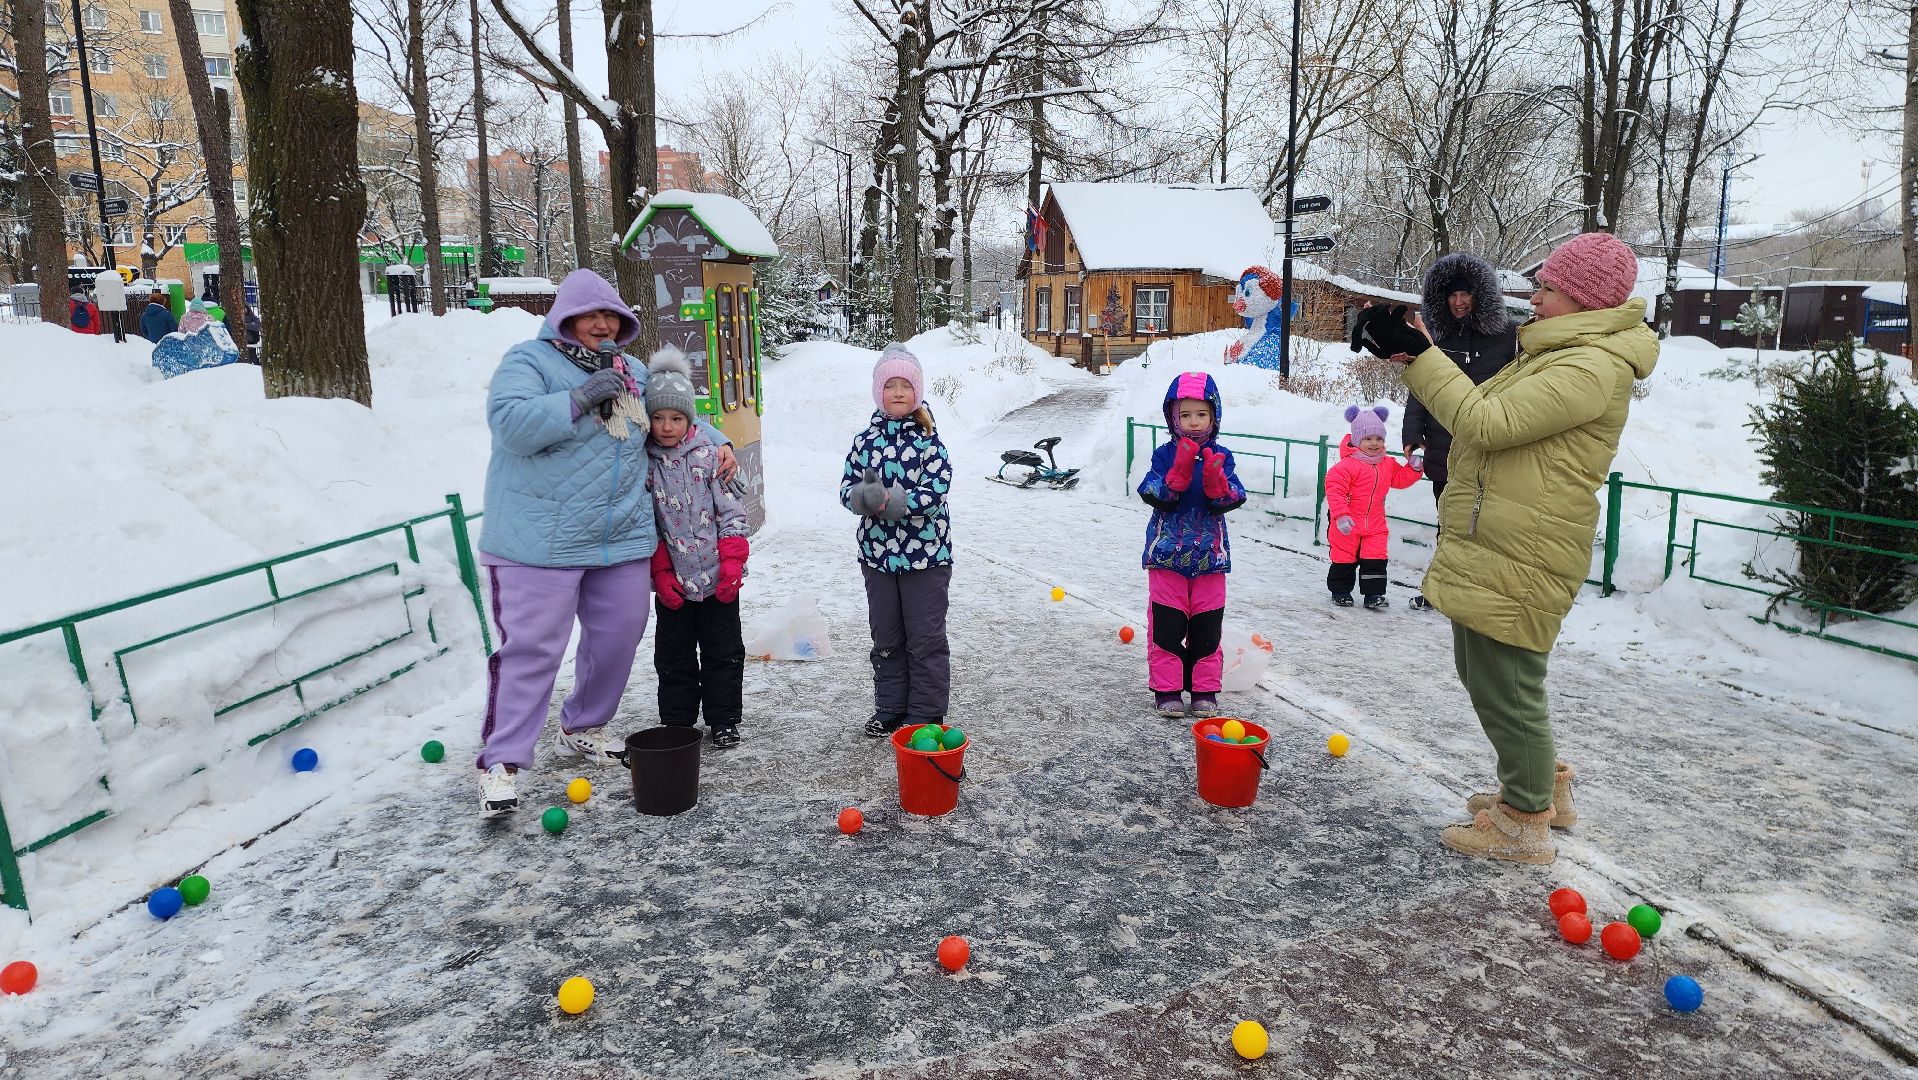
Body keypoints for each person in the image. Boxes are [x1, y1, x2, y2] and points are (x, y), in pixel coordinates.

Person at [1350, 231, 1657, 864]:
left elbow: (1486, 424)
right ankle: (1543, 784)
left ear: (1583, 298)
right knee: (1487, 670)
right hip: (1506, 535)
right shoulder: (1554, 352)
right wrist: (1421, 348)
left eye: (1547, 289)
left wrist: (1419, 355)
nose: (1535, 298)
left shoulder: (1590, 365)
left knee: (1506, 682)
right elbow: (1486, 405)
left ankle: (1524, 817)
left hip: (1530, 542)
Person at [473, 268, 736, 816]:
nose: (600, 325)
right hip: (539, 540)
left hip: (620, 537)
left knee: (617, 637)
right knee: (533, 648)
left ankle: (585, 724)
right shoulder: (529, 360)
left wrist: (720, 440)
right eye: (589, 316)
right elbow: (511, 426)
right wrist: (576, 399)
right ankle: (501, 761)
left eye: (610, 316)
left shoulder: (632, 370)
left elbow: (676, 420)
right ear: (564, 319)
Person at [840, 345, 954, 738]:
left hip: (927, 557)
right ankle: (890, 705)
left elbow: (938, 489)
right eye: (891, 385)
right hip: (878, 558)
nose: (899, 392)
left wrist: (894, 502)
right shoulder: (863, 442)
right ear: (879, 392)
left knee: (924, 636)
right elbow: (846, 489)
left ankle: (925, 713)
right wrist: (863, 498)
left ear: (917, 392)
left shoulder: (929, 441)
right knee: (886, 635)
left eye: (907, 385)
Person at [1401, 253, 1520, 610]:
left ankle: (1481, 592)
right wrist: (1412, 431)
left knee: (1485, 524)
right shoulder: (1435, 335)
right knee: (1448, 520)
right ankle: (1441, 590)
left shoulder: (1510, 335)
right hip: (1443, 443)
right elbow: (1421, 386)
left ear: (1481, 295)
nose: (1459, 301)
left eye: (1466, 293)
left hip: (1488, 446)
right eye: (1451, 294)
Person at [645, 347, 750, 749]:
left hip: (718, 577)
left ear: (691, 419)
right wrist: (660, 572)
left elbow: (731, 512)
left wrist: (733, 562)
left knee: (724, 653)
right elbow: (647, 524)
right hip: (674, 583)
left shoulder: (710, 457)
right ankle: (677, 721)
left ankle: (724, 719)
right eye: (658, 418)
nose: (667, 426)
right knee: (673, 657)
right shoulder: (647, 463)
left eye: (676, 418)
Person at [1136, 372, 1247, 718]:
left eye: (1201, 414)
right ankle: (1167, 690)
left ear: (1214, 416)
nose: (1193, 422)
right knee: (1167, 628)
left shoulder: (1222, 455)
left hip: (1210, 558)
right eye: (1185, 415)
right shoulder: (1164, 455)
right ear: (1173, 418)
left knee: (1207, 628)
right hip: (1167, 556)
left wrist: (1216, 484)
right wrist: (1177, 475)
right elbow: (1153, 494)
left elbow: (1234, 495)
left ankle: (1204, 691)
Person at [1324, 404, 1424, 610]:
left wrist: (1414, 468)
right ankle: (1340, 592)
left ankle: (1373, 594)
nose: (1374, 443)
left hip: (1375, 524)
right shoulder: (1346, 466)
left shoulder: (1386, 463)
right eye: (1368, 439)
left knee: (1376, 558)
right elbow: (1335, 491)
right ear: (1357, 439)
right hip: (1347, 522)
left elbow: (1399, 479)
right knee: (1344, 558)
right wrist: (1340, 516)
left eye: (1379, 438)